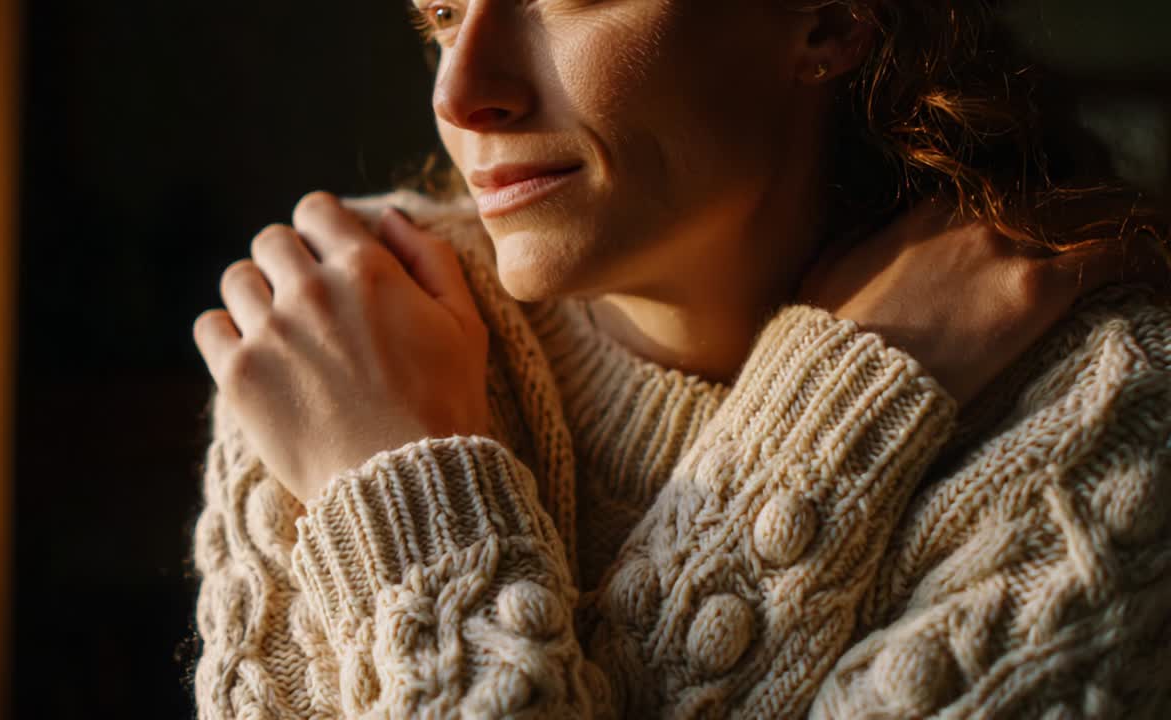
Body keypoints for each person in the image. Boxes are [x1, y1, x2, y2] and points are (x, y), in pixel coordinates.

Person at [187, 1, 1171, 717]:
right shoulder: (344, 332)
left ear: (827, 20)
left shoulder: (1091, 403)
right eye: (441, 12)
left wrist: (398, 510)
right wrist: (829, 423)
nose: (461, 90)